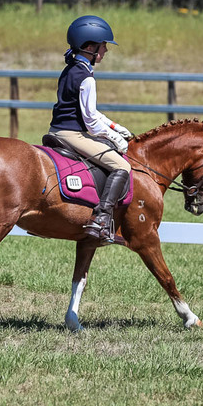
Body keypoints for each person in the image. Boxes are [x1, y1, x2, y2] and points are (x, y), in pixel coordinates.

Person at [48, 15, 134, 244]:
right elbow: (91, 123)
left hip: (57, 130)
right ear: (89, 47)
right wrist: (116, 139)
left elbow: (93, 113)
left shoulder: (71, 69)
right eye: (103, 46)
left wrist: (116, 126)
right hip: (72, 134)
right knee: (122, 165)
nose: (105, 51)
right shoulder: (86, 77)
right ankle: (102, 220)